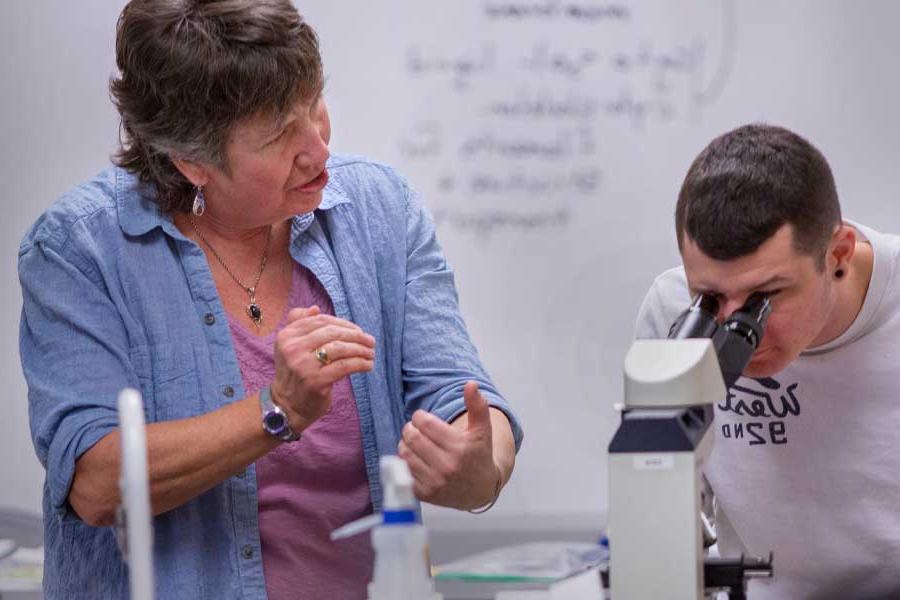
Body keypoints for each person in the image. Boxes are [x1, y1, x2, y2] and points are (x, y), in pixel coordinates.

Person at [17, 1, 523, 598]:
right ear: (193, 161)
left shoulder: (380, 210)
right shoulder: (81, 250)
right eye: (282, 133)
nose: (319, 150)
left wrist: (476, 469)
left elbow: (461, 401)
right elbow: (97, 483)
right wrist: (276, 410)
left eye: (314, 104)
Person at [634, 123, 900, 600]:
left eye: (765, 296)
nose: (741, 333)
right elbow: (664, 511)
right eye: (711, 298)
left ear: (837, 253)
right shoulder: (670, 307)